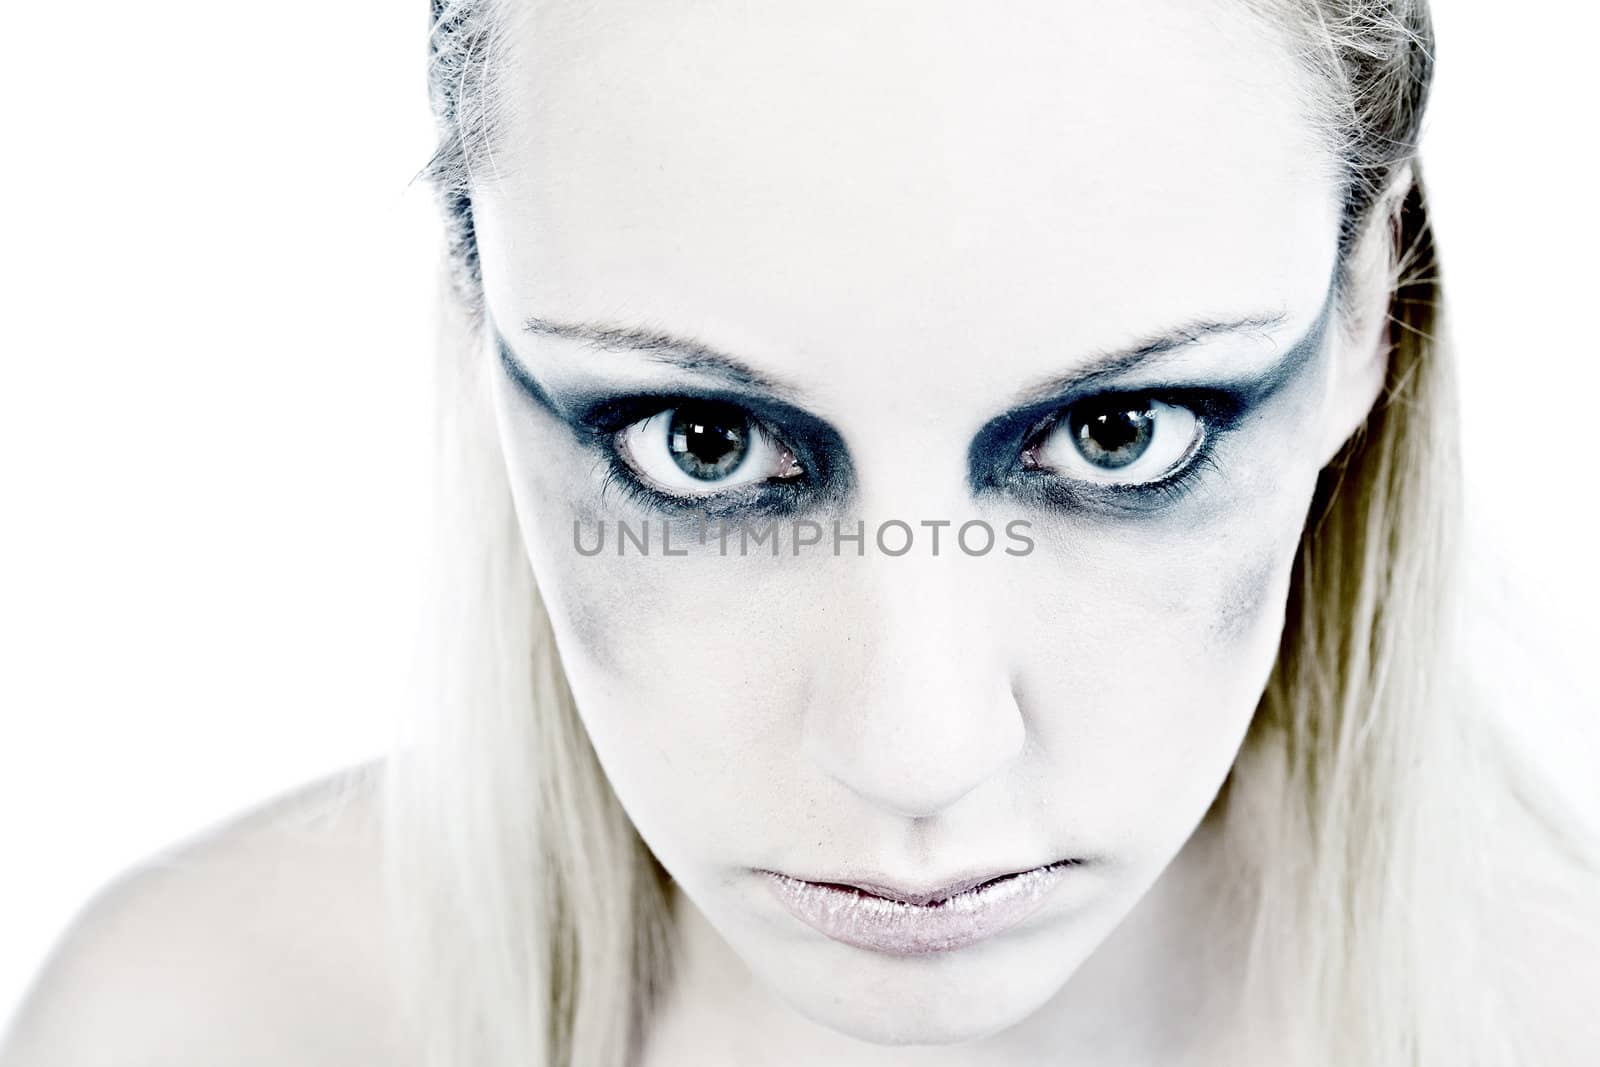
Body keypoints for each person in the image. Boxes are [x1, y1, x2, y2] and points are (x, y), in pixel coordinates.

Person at [6, 1, 1598, 1064]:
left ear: (1361, 324)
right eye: (704, 445)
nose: (919, 749)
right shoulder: (199, 1026)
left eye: (1122, 436)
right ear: (480, 306)